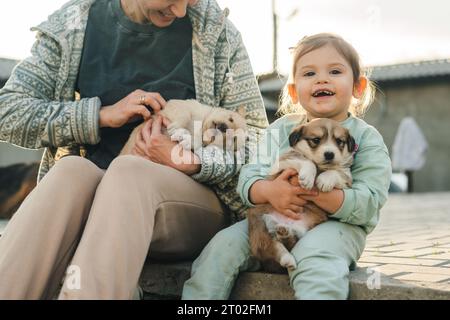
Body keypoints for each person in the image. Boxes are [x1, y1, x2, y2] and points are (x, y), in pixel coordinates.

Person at [0, 0, 268, 299]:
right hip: (98, 190)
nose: (181, 11)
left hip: (191, 202)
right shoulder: (71, 24)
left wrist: (192, 160)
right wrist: (99, 115)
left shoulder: (217, 32)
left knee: (128, 172)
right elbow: (8, 112)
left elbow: (259, 142)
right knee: (70, 170)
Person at [182, 33, 392, 300]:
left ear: (358, 87)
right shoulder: (279, 130)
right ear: (293, 91)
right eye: (309, 73)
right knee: (220, 248)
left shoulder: (367, 138)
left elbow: (370, 203)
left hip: (338, 227)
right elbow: (248, 178)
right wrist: (270, 192)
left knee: (316, 258)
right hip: (272, 218)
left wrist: (318, 194)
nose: (321, 79)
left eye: (335, 71)